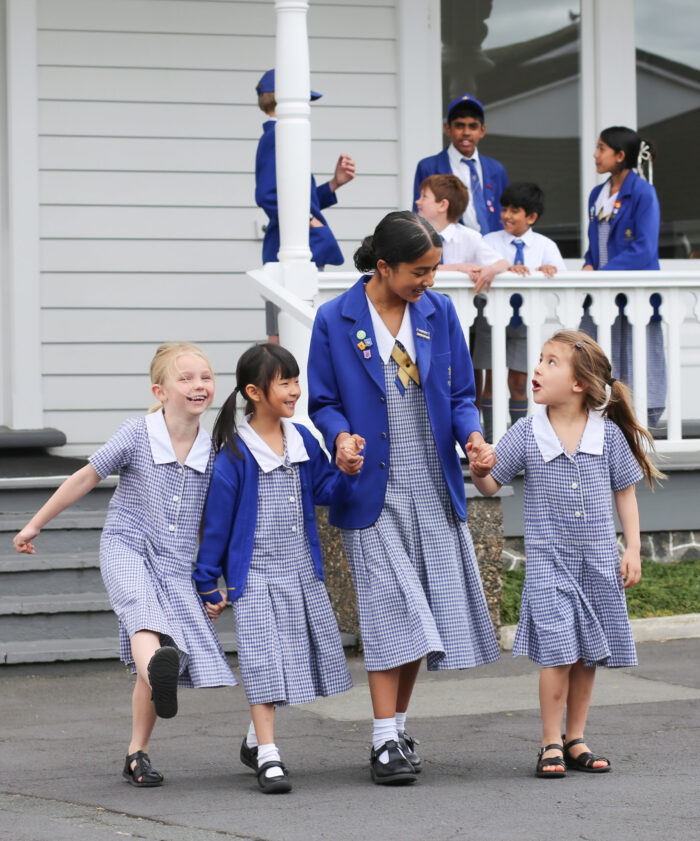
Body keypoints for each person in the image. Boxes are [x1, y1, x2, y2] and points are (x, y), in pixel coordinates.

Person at [307, 211, 501, 786]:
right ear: (384, 266)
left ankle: (396, 729)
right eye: (421, 271)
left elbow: (462, 393)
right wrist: (340, 437)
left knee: (421, 618)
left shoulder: (438, 313)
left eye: (435, 269)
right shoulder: (334, 319)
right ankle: (382, 740)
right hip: (371, 488)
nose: (431, 281)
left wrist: (472, 436)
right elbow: (322, 401)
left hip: (432, 483)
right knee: (392, 611)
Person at [13, 343, 236, 787]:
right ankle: (158, 669)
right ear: (161, 389)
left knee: (158, 651)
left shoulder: (213, 450)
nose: (199, 385)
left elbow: (216, 522)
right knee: (144, 621)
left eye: (206, 377)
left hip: (175, 567)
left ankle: (138, 752)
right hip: (127, 545)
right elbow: (85, 476)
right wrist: (35, 524)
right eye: (186, 378)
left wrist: (214, 584)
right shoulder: (136, 432)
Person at [468, 330, 663, 779]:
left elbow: (625, 494)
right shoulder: (527, 431)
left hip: (597, 565)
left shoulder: (608, 436)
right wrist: (480, 470)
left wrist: (632, 548)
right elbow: (492, 482)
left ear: (579, 384)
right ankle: (549, 742)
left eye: (550, 362)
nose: (536, 368)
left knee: (587, 655)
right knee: (557, 654)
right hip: (549, 564)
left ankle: (576, 738)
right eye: (539, 359)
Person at [193, 343, 356, 794]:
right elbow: (217, 524)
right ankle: (268, 755)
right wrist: (208, 581)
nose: (295, 390)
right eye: (284, 382)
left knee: (290, 662)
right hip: (255, 578)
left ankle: (253, 740)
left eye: (295, 380)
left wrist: (347, 468)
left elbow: (325, 488)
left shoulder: (301, 438)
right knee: (265, 662)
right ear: (255, 392)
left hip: (301, 570)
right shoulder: (235, 452)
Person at [255, 69, 356, 341]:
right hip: (289, 247)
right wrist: (305, 220)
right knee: (284, 332)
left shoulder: (284, 137)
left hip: (304, 244)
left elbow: (302, 199)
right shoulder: (275, 137)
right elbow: (266, 194)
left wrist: (333, 184)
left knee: (302, 328)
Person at [582, 126, 665, 426]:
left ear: (620, 156)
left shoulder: (643, 191)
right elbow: (595, 244)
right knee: (591, 354)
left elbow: (644, 249)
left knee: (636, 356)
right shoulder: (597, 194)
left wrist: (601, 273)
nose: (595, 154)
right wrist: (589, 265)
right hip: (602, 294)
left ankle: (642, 423)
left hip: (634, 295)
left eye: (602, 148)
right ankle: (596, 418)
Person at [482, 182, 567, 429]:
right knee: (491, 379)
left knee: (520, 381)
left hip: (525, 323)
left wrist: (548, 271)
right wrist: (505, 269)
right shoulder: (489, 241)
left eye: (514, 210)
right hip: (491, 320)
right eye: (504, 208)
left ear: (531, 217)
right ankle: (489, 435)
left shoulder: (545, 246)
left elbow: (561, 277)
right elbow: (479, 269)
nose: (506, 215)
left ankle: (518, 434)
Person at [412, 94, 508, 234]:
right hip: (448, 249)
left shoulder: (496, 169)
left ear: (482, 131)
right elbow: (420, 215)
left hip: (490, 247)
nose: (466, 133)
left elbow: (505, 212)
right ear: (448, 128)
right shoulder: (429, 167)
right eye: (459, 126)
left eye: (473, 126)